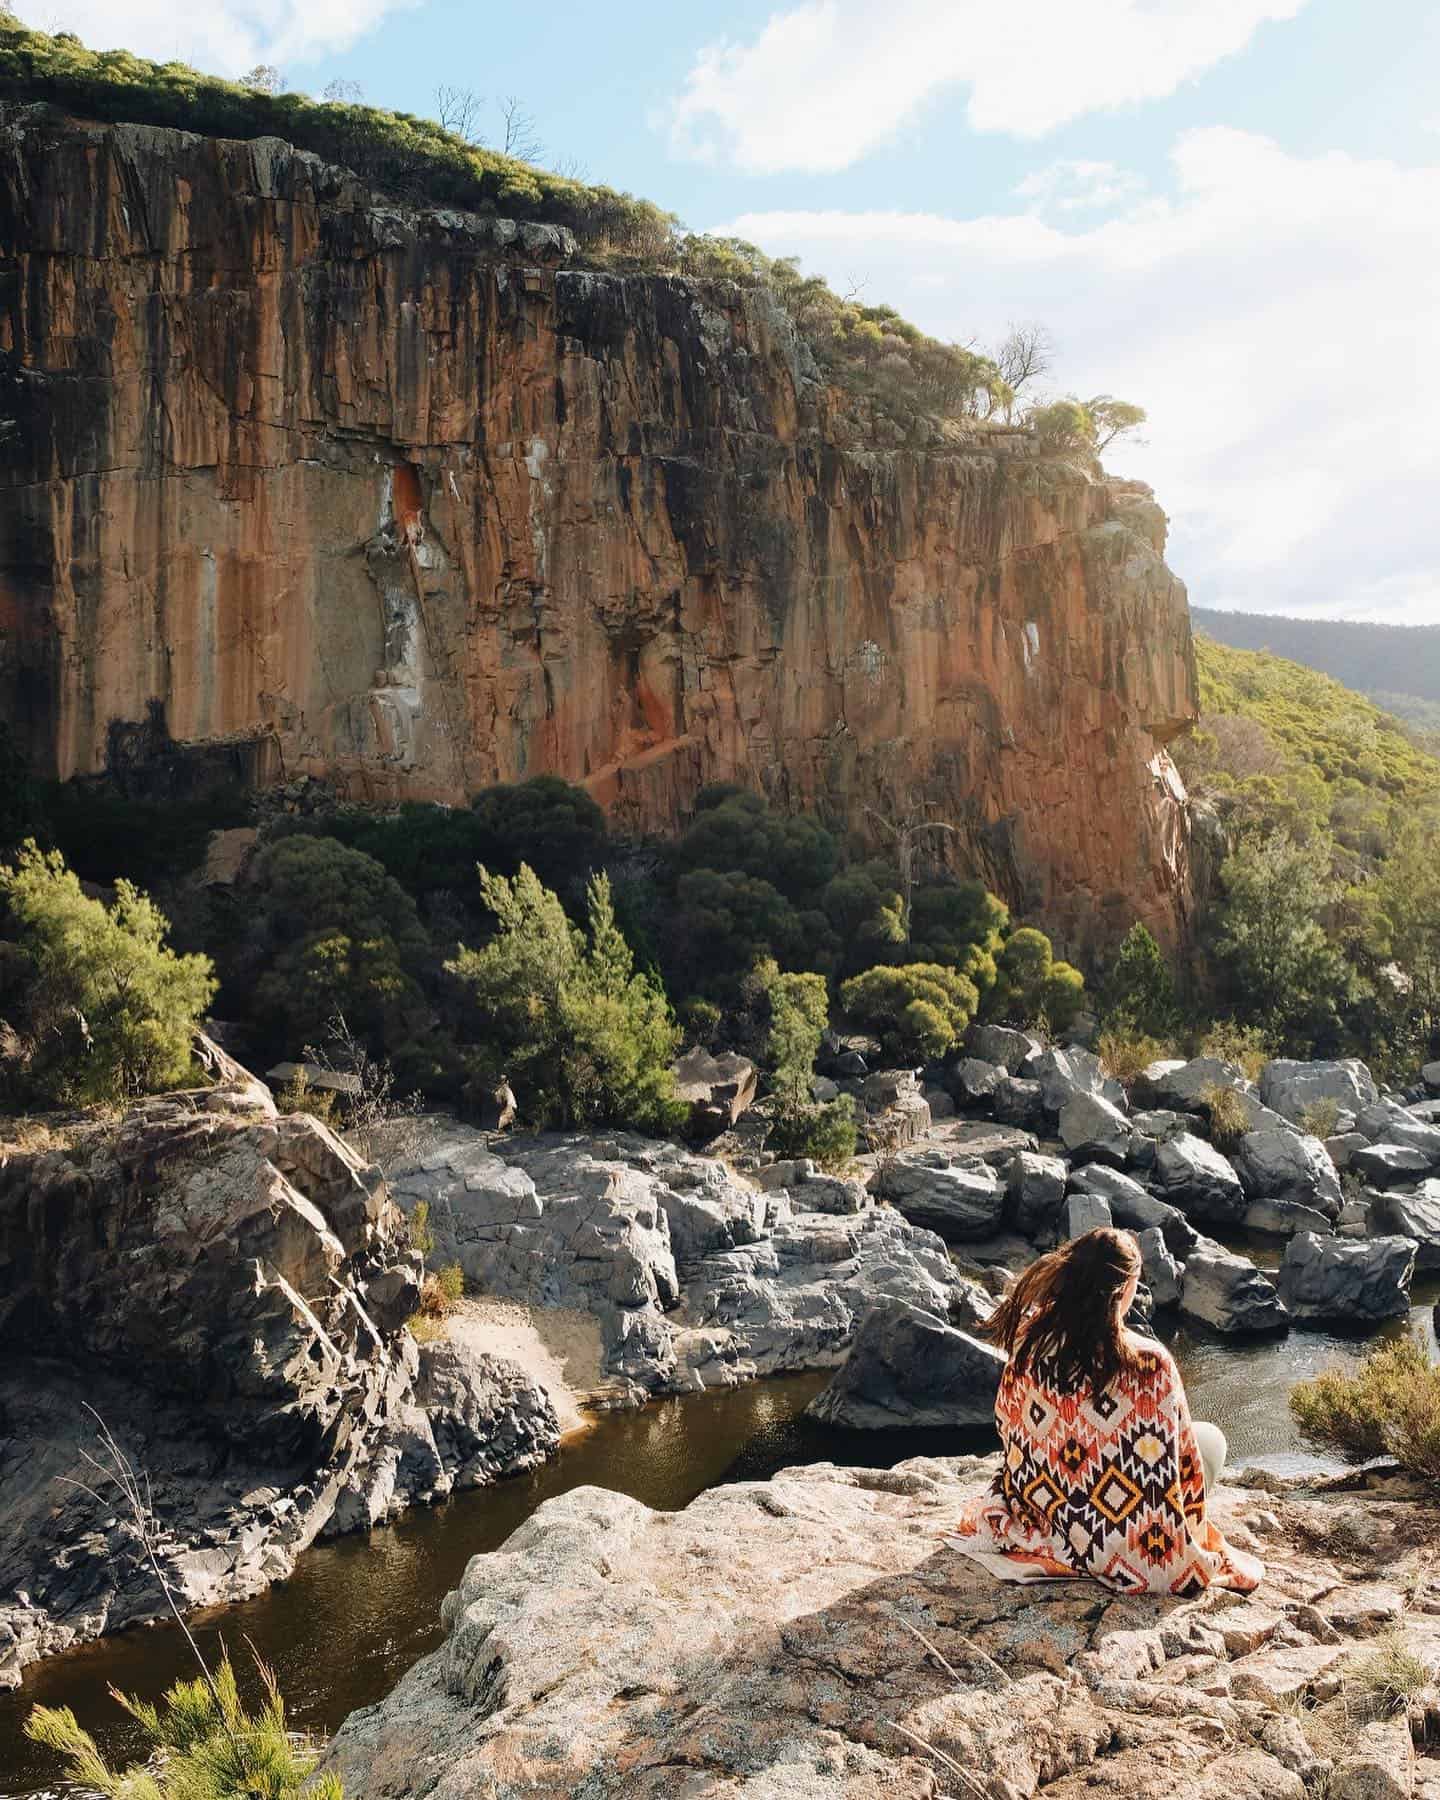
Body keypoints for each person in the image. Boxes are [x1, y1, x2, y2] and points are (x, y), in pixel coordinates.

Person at [947, 1227, 1261, 1595]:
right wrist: (1187, 1532)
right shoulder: (1149, 1362)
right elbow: (1183, 1461)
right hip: (1137, 1538)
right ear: (1125, 1288)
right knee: (1210, 1439)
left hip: (1051, 1513)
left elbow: (1007, 1423)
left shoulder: (1030, 1338)